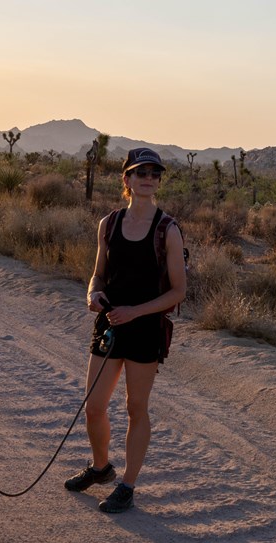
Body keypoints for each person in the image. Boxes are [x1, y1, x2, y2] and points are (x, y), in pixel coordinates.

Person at [65, 148, 187, 513]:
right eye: (140, 172)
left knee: (136, 407)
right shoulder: (109, 224)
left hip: (145, 327)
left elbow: (178, 292)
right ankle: (101, 468)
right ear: (127, 180)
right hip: (109, 323)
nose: (148, 178)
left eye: (154, 173)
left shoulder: (168, 229)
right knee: (94, 407)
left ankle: (127, 485)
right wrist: (92, 293)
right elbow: (98, 272)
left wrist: (136, 311)